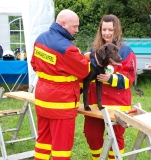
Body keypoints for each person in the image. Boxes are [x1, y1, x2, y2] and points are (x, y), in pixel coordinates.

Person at [30, 9, 90, 160]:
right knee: (61, 148)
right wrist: (85, 57)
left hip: (42, 100)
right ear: (63, 24)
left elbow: (34, 64)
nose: (77, 30)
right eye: (74, 26)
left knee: (43, 141)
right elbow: (84, 71)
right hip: (61, 104)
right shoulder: (68, 49)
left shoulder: (40, 39)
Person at [83, 14, 137, 160]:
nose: (106, 33)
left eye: (110, 30)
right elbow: (83, 73)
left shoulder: (126, 52)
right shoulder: (93, 51)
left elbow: (129, 79)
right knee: (91, 134)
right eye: (104, 29)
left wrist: (110, 78)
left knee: (115, 136)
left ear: (117, 30)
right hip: (95, 103)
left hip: (117, 104)